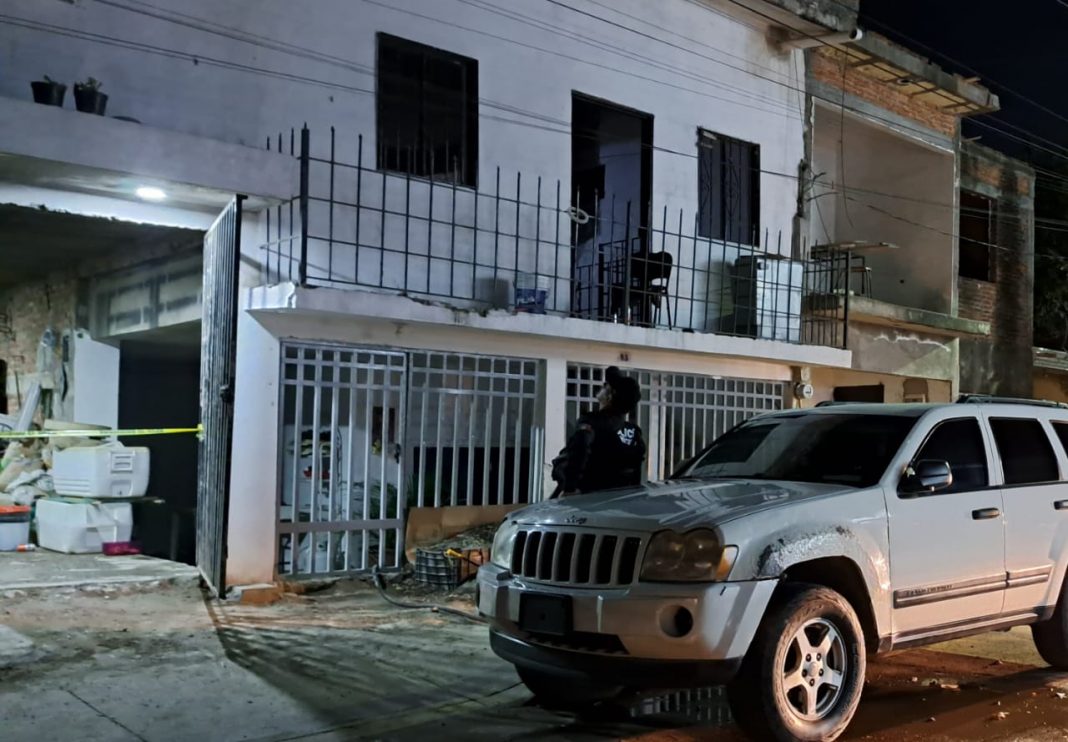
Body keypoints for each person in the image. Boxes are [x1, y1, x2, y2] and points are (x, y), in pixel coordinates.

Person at [552, 366, 646, 497]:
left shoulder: (591, 422)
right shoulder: (634, 432)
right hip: (619, 499)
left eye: (606, 385)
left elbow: (580, 450)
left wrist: (570, 488)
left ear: (610, 395)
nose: (602, 387)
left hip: (586, 497)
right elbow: (636, 472)